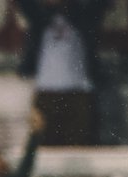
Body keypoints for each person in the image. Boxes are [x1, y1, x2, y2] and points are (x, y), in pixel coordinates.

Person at [14, 0, 110, 147]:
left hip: (79, 93)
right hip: (46, 93)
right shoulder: (39, 19)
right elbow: (25, 5)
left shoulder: (83, 17)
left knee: (80, 146)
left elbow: (100, 5)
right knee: (44, 146)